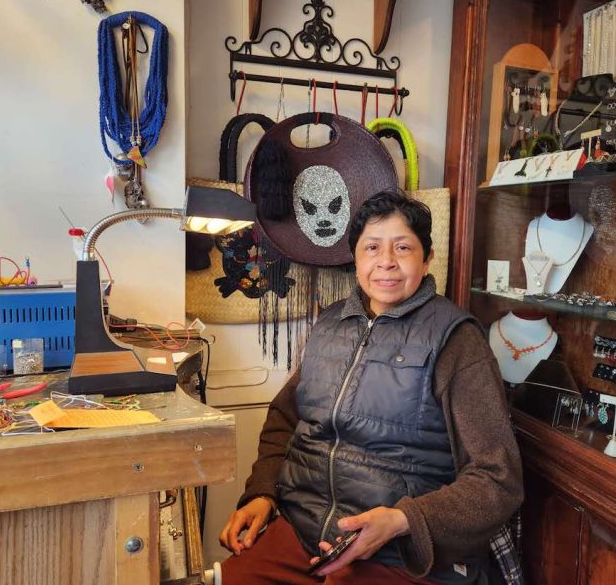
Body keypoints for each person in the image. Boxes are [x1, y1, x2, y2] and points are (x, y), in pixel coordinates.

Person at [219, 191, 523, 584]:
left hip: (401, 553)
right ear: (356, 258)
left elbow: (499, 477)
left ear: (427, 257)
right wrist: (262, 492)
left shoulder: (456, 340)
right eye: (372, 247)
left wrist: (402, 520)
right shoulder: (329, 325)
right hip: (303, 530)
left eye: (403, 247)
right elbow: (284, 418)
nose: (386, 262)